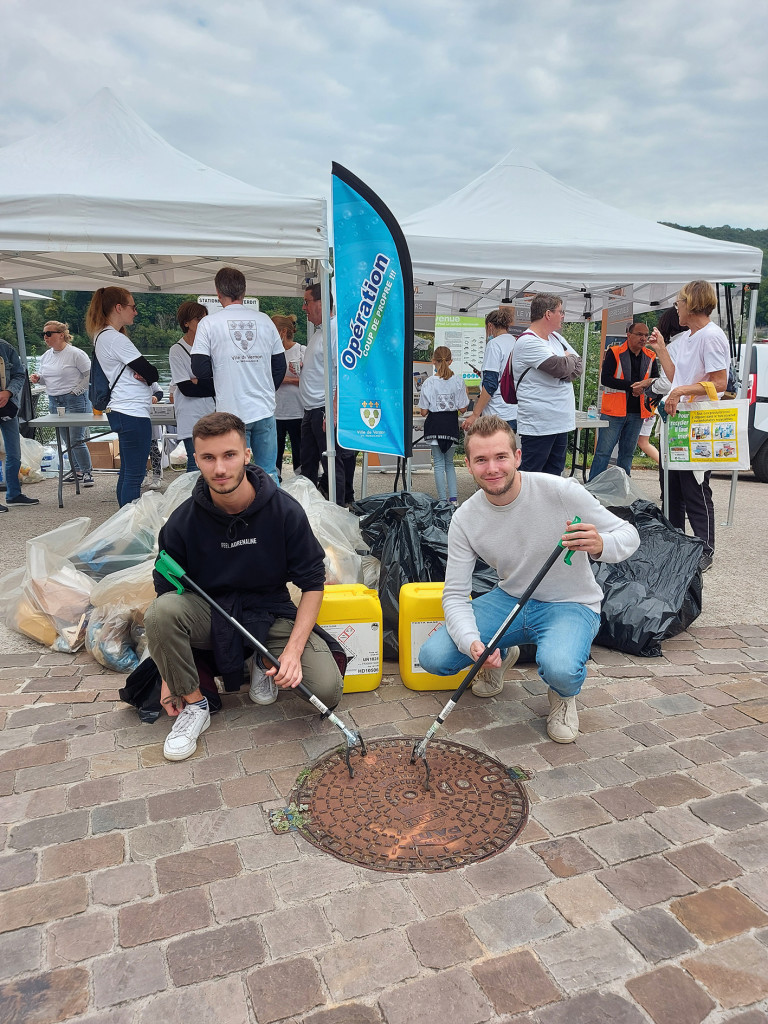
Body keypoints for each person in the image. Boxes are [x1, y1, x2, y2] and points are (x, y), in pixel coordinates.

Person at [419, 416, 639, 742]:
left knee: (560, 668)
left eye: (501, 457)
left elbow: (628, 534)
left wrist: (601, 544)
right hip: (510, 598)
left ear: (517, 457)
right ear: (468, 464)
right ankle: (499, 656)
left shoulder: (561, 491)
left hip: (571, 603)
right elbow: (454, 595)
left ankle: (563, 696)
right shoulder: (465, 518)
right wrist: (472, 644)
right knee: (433, 657)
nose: (492, 468)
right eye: (481, 460)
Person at [144, 412, 345, 761]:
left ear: (247, 455)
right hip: (211, 612)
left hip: (271, 612)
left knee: (327, 691)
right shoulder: (182, 522)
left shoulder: (285, 512)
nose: (220, 468)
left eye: (229, 455)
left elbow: (313, 583)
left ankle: (258, 659)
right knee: (160, 612)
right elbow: (166, 591)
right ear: (196, 459)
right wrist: (170, 675)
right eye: (209, 457)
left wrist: (294, 652)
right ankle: (195, 707)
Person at [647, 281, 730, 572]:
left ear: (692, 303)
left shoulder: (711, 336)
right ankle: (676, 543)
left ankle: (705, 548)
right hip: (679, 421)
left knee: (695, 487)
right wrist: (660, 350)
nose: (676, 307)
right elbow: (676, 377)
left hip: (698, 422)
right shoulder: (691, 336)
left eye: (679, 302)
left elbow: (720, 382)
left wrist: (681, 393)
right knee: (672, 487)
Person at [191, 268, 286, 484]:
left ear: (218, 292)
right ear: (244, 291)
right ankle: (272, 516)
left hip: (230, 412)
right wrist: (267, 390)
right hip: (264, 408)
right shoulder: (264, 321)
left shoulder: (208, 324)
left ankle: (240, 516)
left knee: (236, 475)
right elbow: (280, 366)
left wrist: (224, 383)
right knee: (269, 473)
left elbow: (199, 368)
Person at [85, 287, 159, 507]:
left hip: (121, 410)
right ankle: (130, 526)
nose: (135, 312)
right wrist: (146, 377)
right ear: (118, 308)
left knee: (127, 472)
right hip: (131, 411)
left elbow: (147, 373)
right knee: (135, 475)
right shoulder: (115, 339)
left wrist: (145, 375)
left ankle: (123, 521)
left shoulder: (101, 336)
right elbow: (152, 373)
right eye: (132, 307)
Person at [512, 293, 583, 476]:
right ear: (548, 314)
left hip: (560, 420)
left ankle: (547, 506)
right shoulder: (528, 341)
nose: (563, 315)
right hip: (539, 423)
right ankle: (526, 506)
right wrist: (567, 363)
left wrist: (569, 363)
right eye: (561, 311)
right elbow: (560, 367)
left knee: (554, 475)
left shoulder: (556, 338)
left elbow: (579, 367)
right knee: (532, 475)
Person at [299, 283, 356, 505]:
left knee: (332, 464)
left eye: (307, 302)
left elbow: (344, 374)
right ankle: (310, 512)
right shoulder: (320, 332)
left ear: (321, 303)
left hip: (323, 410)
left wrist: (332, 410)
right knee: (309, 465)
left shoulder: (336, 331)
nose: (304, 307)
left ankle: (338, 510)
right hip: (312, 409)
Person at [588, 322, 659, 480]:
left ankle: (623, 490)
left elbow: (656, 380)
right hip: (614, 411)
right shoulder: (614, 352)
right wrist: (631, 387)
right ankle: (592, 489)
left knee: (627, 454)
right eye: (640, 334)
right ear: (629, 335)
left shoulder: (651, 355)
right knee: (603, 452)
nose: (643, 338)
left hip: (637, 412)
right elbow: (605, 379)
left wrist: (644, 387)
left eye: (646, 335)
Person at [30, 320, 94, 487]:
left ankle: (87, 472)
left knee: (76, 438)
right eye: (43, 334)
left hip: (74, 400)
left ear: (61, 335)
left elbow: (90, 375)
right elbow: (46, 379)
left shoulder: (76, 354)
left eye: (49, 333)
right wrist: (38, 378)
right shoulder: (46, 356)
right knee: (66, 439)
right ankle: (77, 471)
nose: (45, 337)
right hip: (54, 400)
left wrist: (76, 391)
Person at [418, 345, 469, 506]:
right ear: (451, 361)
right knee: (449, 463)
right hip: (451, 425)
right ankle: (453, 499)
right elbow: (462, 408)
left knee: (438, 464)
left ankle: (441, 500)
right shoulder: (458, 381)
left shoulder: (429, 382)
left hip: (434, 425)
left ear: (434, 361)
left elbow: (424, 412)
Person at [169, 301, 215, 472]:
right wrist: (209, 382)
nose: (203, 322)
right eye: (198, 318)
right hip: (191, 414)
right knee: (195, 463)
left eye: (205, 317)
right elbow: (186, 388)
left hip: (212, 411)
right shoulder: (177, 350)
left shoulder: (211, 347)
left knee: (212, 461)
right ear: (186, 322)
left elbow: (222, 380)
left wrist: (198, 380)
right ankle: (193, 498)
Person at [636, 307, 686, 465]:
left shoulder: (672, 347)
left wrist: (651, 386)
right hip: (693, 407)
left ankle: (665, 466)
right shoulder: (694, 341)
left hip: (677, 410)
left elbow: (668, 382)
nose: (643, 338)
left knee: (673, 467)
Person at [0, 338, 40, 512]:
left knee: (14, 453)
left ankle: (14, 494)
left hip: (8, 408)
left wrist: (8, 392)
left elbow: (19, 374)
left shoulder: (5, 347)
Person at [462, 308, 517, 432]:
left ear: (490, 326)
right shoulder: (515, 341)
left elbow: (491, 383)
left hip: (496, 412)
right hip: (513, 411)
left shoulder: (494, 344)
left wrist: (475, 414)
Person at [271, 313, 305, 483]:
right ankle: (275, 478)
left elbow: (308, 380)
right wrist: (291, 380)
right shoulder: (270, 353)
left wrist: (286, 379)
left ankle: (301, 480)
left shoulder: (301, 350)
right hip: (275, 410)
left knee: (299, 447)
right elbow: (268, 379)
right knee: (275, 448)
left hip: (297, 409)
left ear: (283, 332)